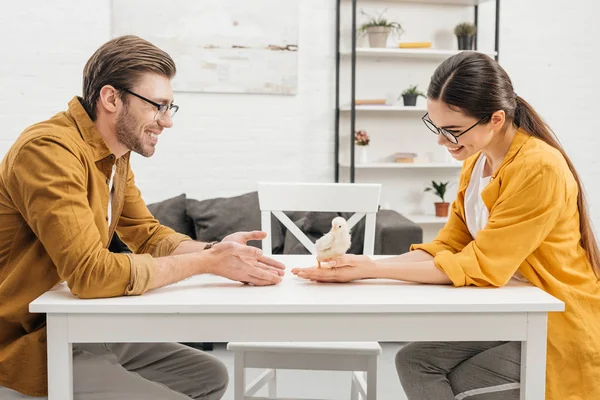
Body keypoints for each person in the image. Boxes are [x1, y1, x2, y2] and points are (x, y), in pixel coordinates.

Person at [292, 51, 600, 400]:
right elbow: (449, 246)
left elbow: (482, 265)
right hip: (509, 307)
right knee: (414, 362)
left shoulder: (539, 168)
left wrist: (373, 269)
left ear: (496, 119)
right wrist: (366, 267)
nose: (441, 141)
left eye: (452, 130)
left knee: (463, 384)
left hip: (555, 319)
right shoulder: (476, 164)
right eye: (436, 127)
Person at [0, 35, 286, 400]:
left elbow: (147, 234)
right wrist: (206, 263)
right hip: (24, 341)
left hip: (78, 325)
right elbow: (90, 275)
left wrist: (216, 250)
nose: (166, 122)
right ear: (110, 98)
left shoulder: (114, 156)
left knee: (208, 374)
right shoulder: (48, 152)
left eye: (171, 108)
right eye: (157, 106)